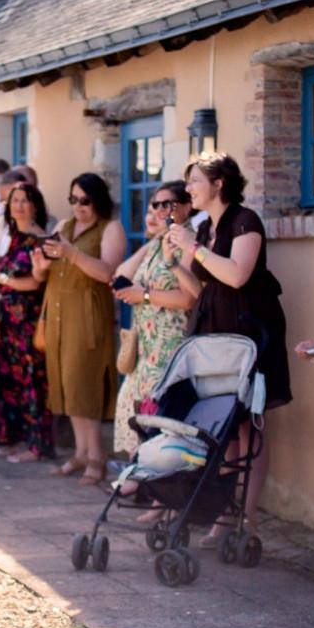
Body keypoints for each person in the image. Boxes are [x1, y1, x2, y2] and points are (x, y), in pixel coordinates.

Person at [168, 153, 291, 542]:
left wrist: (195, 247)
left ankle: (247, 515)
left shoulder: (244, 221)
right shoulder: (206, 228)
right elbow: (202, 290)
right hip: (215, 332)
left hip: (249, 333)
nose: (188, 188)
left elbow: (237, 276)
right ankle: (224, 513)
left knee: (250, 426)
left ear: (219, 183)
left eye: (195, 181)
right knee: (225, 425)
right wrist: (175, 262)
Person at [32, 173, 126, 485]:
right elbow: (45, 273)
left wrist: (71, 253)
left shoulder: (110, 229)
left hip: (87, 315)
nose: (78, 206)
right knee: (66, 382)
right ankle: (80, 451)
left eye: (84, 200)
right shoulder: (64, 228)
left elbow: (108, 272)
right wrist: (41, 265)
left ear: (98, 200)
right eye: (73, 199)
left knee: (85, 383)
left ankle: (97, 456)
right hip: (59, 312)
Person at [111, 182, 196, 456]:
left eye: (166, 204)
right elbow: (121, 274)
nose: (160, 210)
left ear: (186, 206)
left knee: (162, 414)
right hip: (146, 345)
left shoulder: (189, 241)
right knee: (137, 409)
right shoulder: (159, 244)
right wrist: (153, 240)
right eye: (155, 205)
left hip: (170, 342)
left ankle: (159, 482)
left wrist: (144, 296)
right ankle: (142, 475)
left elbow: (188, 298)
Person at [0, 183, 51, 460]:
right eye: (14, 200)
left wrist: (0, 278)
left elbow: (35, 282)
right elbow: (5, 274)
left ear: (35, 205)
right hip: (5, 317)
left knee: (31, 380)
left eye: (24, 200)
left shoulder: (41, 239)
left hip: (27, 319)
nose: (18, 205)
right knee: (8, 380)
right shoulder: (15, 237)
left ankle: (37, 444)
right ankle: (13, 436)